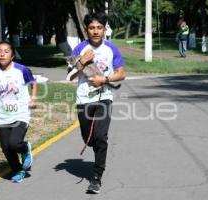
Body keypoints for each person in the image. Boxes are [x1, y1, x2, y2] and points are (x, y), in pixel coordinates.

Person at [68, 12, 125, 194]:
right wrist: (82, 62)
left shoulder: (112, 49)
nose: (95, 31)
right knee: (89, 139)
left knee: (100, 137)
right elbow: (69, 76)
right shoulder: (79, 49)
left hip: (104, 97)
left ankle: (96, 176)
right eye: (92, 28)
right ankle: (94, 147)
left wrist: (104, 79)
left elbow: (121, 74)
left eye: (99, 27)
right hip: (84, 98)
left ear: (104, 29)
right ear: (86, 30)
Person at [0, 41, 38, 183]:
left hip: (21, 113)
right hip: (3, 115)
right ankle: (18, 170)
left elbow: (33, 83)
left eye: (6, 51)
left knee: (14, 143)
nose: (2, 54)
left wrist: (33, 99)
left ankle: (25, 148)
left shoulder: (21, 69)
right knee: (6, 148)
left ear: (12, 55)